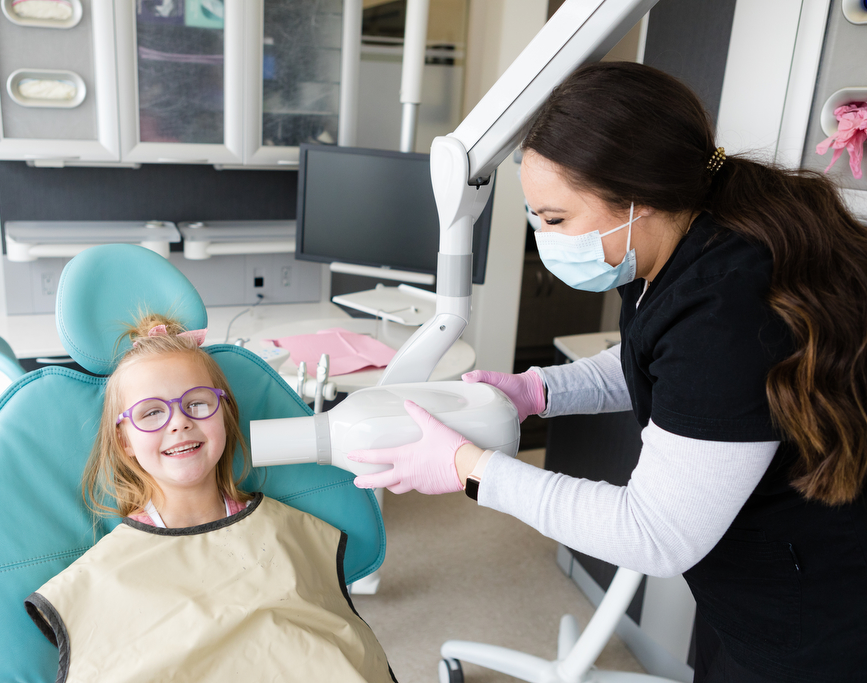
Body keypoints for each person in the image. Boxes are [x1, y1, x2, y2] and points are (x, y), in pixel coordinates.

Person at [348, 62, 867, 683]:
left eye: (556, 219)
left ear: (637, 198)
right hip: (753, 575)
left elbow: (654, 533)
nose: (543, 237)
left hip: (814, 614)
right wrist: (540, 390)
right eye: (536, 217)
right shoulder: (676, 246)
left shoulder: (727, 309)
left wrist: (471, 470)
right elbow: (657, 365)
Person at [24, 313, 395, 683]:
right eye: (151, 413)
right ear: (125, 441)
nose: (179, 421)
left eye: (197, 403)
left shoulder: (288, 532)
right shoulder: (106, 573)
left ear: (226, 412)